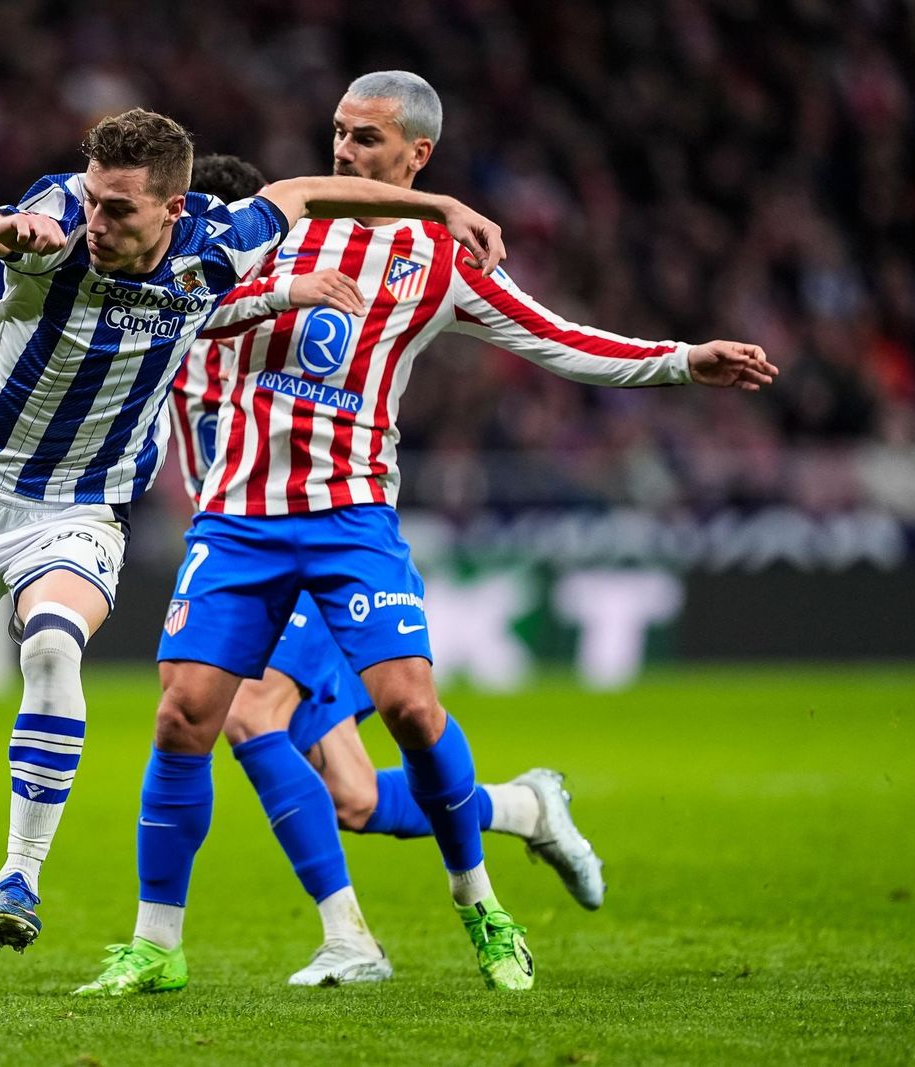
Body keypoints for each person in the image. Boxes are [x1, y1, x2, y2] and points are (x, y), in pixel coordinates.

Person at [74, 73, 776, 997]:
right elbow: (167, 307)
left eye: (367, 140)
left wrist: (684, 360)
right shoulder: (271, 229)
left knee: (407, 707)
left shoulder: (440, 260)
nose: (343, 152)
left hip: (349, 516)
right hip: (238, 520)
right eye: (337, 133)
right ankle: (159, 945)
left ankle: (477, 904)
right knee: (190, 720)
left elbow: (558, 338)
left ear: (417, 157)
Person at [0, 106, 510, 955]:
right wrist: (10, 226)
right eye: (92, 198)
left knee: (49, 642)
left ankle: (20, 875)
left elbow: (304, 192)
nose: (98, 219)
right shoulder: (56, 226)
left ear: (173, 206)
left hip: (84, 508)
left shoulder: (217, 244)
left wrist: (439, 207)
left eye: (120, 208)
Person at [175, 155, 604, 988]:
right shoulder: (182, 323)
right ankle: (524, 806)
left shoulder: (288, 289)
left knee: (251, 714)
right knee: (357, 799)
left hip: (319, 537)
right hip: (244, 543)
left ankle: (352, 938)